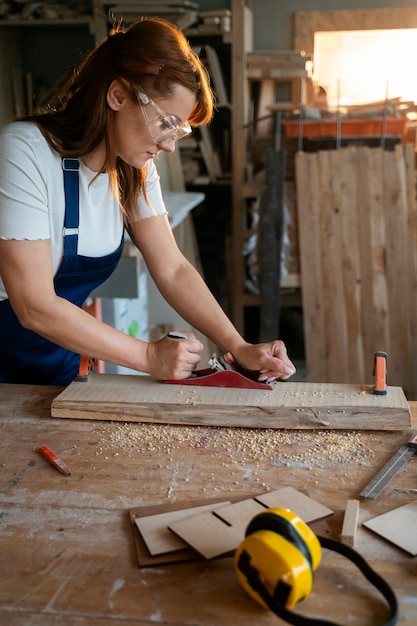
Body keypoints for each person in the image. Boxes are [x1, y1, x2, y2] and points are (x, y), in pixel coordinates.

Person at [0, 17, 296, 386]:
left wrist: (238, 345)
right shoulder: (24, 151)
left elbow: (172, 268)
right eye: (166, 123)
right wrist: (146, 356)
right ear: (118, 95)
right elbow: (34, 305)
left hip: (59, 366)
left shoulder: (132, 168)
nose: (170, 145)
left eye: (179, 131)